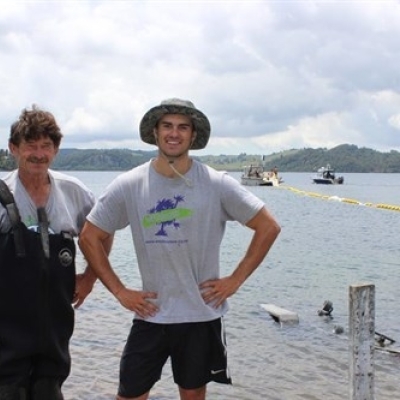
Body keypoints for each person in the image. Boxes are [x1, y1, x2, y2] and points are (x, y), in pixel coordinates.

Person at [78, 98, 281, 400]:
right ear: (156, 133)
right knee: (129, 394)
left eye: (182, 127)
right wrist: (120, 291)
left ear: (193, 135)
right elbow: (89, 236)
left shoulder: (216, 183)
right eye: (167, 126)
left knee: (192, 394)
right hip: (150, 314)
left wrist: (234, 280)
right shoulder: (130, 184)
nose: (174, 134)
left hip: (200, 315)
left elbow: (268, 227)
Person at [0, 105, 106, 400]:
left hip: (55, 323)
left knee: (49, 389)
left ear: (56, 150)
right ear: (13, 148)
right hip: (7, 325)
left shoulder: (74, 192)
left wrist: (90, 277)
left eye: (46, 146)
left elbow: (102, 233)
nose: (38, 154)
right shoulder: (1, 192)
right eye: (30, 146)